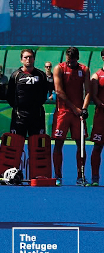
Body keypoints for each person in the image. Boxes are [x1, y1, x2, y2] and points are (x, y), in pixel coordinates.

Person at [52, 46, 91, 185]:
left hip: (78, 114)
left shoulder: (84, 69)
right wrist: (74, 108)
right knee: (58, 144)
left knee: (81, 145)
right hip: (63, 113)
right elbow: (59, 91)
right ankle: (58, 176)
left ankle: (80, 177)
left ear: (77, 58)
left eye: (73, 61)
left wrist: (84, 108)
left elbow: (88, 91)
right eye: (68, 61)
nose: (70, 63)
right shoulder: (59, 68)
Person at [6, 49, 52, 138]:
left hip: (36, 115)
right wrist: (17, 107)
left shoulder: (41, 75)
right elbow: (10, 94)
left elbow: (44, 92)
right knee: (16, 145)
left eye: (30, 57)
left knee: (37, 146)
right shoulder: (15, 75)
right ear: (21, 60)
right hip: (19, 116)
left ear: (34, 59)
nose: (28, 59)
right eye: (25, 57)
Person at [88, 50, 104, 186]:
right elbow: (94, 96)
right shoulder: (97, 76)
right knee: (97, 147)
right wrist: (100, 103)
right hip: (101, 117)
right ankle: (95, 178)